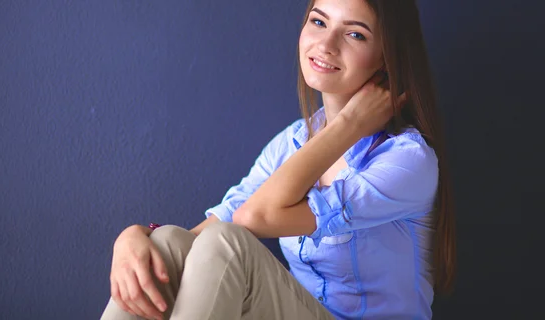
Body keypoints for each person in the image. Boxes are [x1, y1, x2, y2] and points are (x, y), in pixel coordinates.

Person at [100, 0, 456, 319]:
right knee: (164, 249)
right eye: (318, 22)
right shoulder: (292, 141)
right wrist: (135, 237)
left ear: (387, 58)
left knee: (227, 244)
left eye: (355, 35)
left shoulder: (407, 160)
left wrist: (348, 126)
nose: (326, 45)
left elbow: (253, 218)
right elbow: (198, 239)